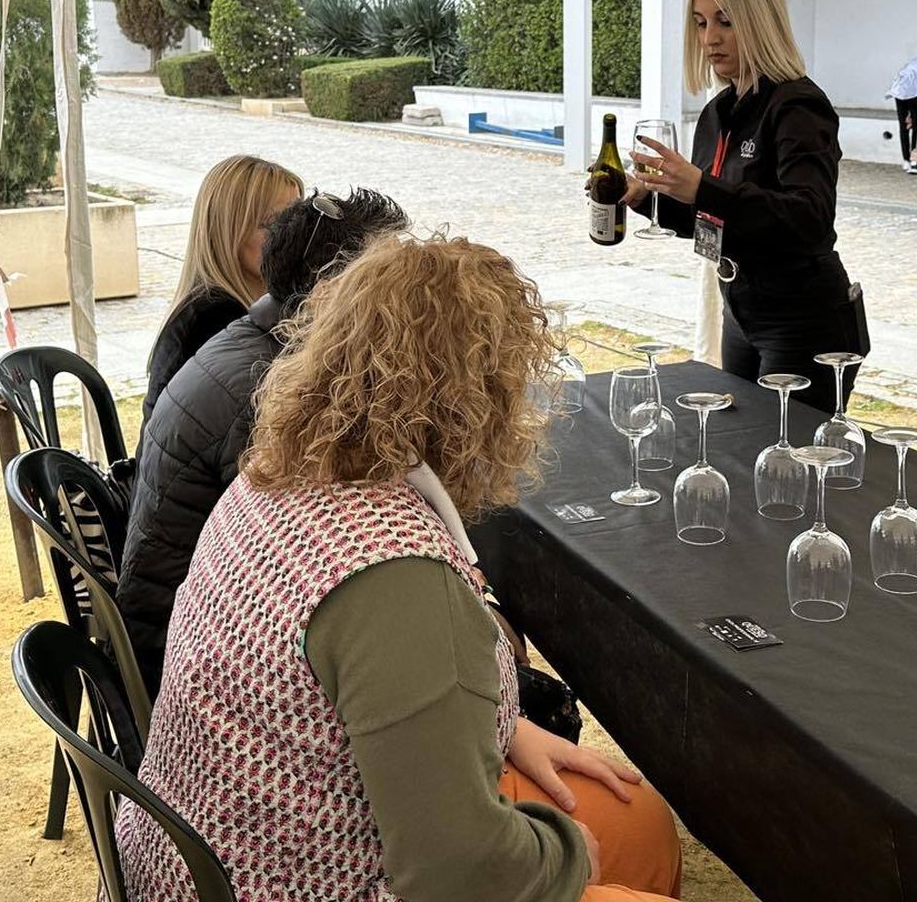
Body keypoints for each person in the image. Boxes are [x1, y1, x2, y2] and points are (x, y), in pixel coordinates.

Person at [117, 235, 683, 902]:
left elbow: (372, 698)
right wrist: (567, 861)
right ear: (483, 401)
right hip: (303, 877)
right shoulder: (398, 579)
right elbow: (460, 875)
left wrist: (506, 728)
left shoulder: (277, 478)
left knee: (640, 822)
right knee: (604, 851)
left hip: (209, 850)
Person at [119, 187, 410, 693]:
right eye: (389, 283)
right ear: (330, 292)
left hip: (183, 620)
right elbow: (321, 562)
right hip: (192, 661)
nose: (404, 302)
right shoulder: (269, 391)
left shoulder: (255, 337)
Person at [625, 0, 866, 414]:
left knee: (789, 463)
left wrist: (701, 187)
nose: (710, 38)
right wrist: (645, 198)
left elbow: (810, 218)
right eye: (700, 23)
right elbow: (712, 218)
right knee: (739, 449)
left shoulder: (798, 106)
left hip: (802, 318)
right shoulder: (719, 112)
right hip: (741, 313)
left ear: (759, 18)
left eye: (725, 21)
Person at [139, 154, 303, 434]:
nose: (292, 237)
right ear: (229, 230)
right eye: (272, 225)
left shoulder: (218, 305)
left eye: (298, 222)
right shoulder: (216, 319)